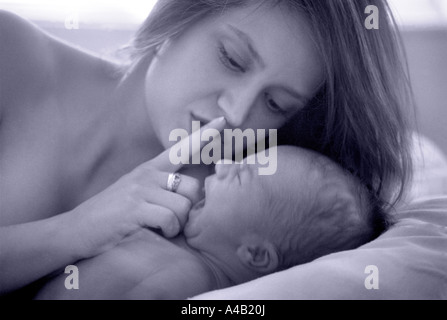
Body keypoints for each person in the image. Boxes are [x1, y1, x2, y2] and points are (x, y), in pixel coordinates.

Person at [0, 0, 413, 298]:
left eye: (275, 104)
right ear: (177, 15)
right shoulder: (12, 54)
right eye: (232, 58)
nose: (235, 114)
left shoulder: (234, 212)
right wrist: (76, 230)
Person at [35, 146, 385, 300]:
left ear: (256, 255)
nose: (221, 166)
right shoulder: (184, 245)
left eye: (240, 176)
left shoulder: (191, 281)